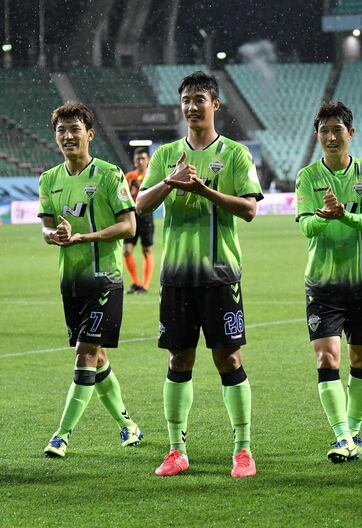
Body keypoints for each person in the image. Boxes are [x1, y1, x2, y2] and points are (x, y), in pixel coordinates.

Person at [136, 71, 263, 478]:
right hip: (177, 277)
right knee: (178, 358)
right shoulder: (165, 155)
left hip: (221, 275)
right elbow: (140, 205)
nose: (192, 107)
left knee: (229, 357)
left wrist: (205, 190)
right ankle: (176, 450)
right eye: (186, 99)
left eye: (199, 99)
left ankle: (242, 451)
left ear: (215, 105)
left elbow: (249, 209)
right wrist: (171, 183)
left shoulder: (236, 154)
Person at [38, 102, 143, 458]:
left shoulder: (109, 175)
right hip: (71, 283)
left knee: (85, 354)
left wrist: (85, 237)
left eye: (74, 130)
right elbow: (47, 226)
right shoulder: (49, 179)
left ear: (90, 135)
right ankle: (128, 425)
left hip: (105, 280)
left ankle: (61, 435)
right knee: (96, 358)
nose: (67, 136)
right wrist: (52, 235)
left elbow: (130, 226)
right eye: (61, 131)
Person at [295, 101, 362, 463]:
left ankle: (354, 431)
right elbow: (305, 226)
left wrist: (342, 213)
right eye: (324, 131)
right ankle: (341, 437)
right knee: (326, 357)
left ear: (351, 133)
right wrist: (322, 216)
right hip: (323, 284)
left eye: (337, 130)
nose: (331, 137)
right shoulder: (307, 178)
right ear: (317, 136)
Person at [123, 147, 155, 294]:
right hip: (131, 215)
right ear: (134, 161)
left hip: (146, 215)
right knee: (127, 251)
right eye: (138, 159)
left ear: (147, 160)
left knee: (147, 250)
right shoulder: (129, 176)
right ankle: (136, 282)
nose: (141, 161)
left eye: (143, 158)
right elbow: (123, 197)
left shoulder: (152, 175)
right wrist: (131, 189)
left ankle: (145, 286)